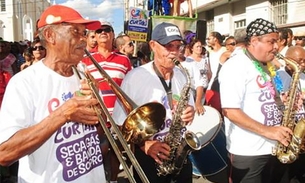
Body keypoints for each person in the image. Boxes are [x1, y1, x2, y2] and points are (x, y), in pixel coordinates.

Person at [0, 5, 107, 183]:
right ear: (50, 36)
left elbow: (99, 133)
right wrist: (63, 113)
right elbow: (5, 153)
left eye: (84, 32)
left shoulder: (83, 72)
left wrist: (98, 110)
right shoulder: (24, 82)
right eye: (76, 32)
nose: (84, 39)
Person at [112, 22, 195, 183]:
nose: (174, 52)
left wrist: (190, 111)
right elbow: (118, 123)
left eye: (178, 46)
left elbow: (189, 109)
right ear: (153, 45)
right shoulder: (135, 77)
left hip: (180, 155)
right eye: (168, 46)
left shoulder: (182, 75)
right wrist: (146, 145)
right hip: (148, 159)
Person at [219, 18, 293, 183]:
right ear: (253, 41)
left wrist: (285, 101)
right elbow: (230, 111)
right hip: (249, 152)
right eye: (271, 41)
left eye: (277, 41)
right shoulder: (235, 66)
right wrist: (269, 131)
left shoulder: (267, 65)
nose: (276, 46)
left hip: (276, 148)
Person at [82, 21, 132, 183]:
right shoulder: (85, 60)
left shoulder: (124, 60)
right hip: (95, 119)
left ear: (112, 34)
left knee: (116, 153)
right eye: (99, 30)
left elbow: (130, 88)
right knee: (95, 155)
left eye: (107, 30)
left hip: (118, 117)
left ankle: (113, 180)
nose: (103, 32)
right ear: (95, 36)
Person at [276, 45, 305, 183]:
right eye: (300, 61)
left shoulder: (303, 75)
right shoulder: (276, 77)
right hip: (287, 128)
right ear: (288, 61)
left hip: (301, 129)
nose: (303, 64)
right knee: (286, 174)